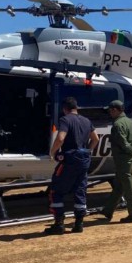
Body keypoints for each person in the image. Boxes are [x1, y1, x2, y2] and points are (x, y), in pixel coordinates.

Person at [45, 97, 99, 235]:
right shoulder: (86, 121)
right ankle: (79, 224)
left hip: (69, 160)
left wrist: (53, 152)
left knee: (56, 190)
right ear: (77, 107)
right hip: (83, 161)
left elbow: (61, 138)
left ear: (65, 109)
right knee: (80, 191)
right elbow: (95, 139)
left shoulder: (65, 119)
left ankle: (59, 224)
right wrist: (88, 150)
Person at [99, 100, 132, 223]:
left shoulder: (118, 125)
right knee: (119, 186)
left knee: (128, 188)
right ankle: (108, 210)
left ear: (115, 110)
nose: (109, 113)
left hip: (124, 160)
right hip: (130, 160)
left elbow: (123, 143)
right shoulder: (129, 122)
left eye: (110, 110)